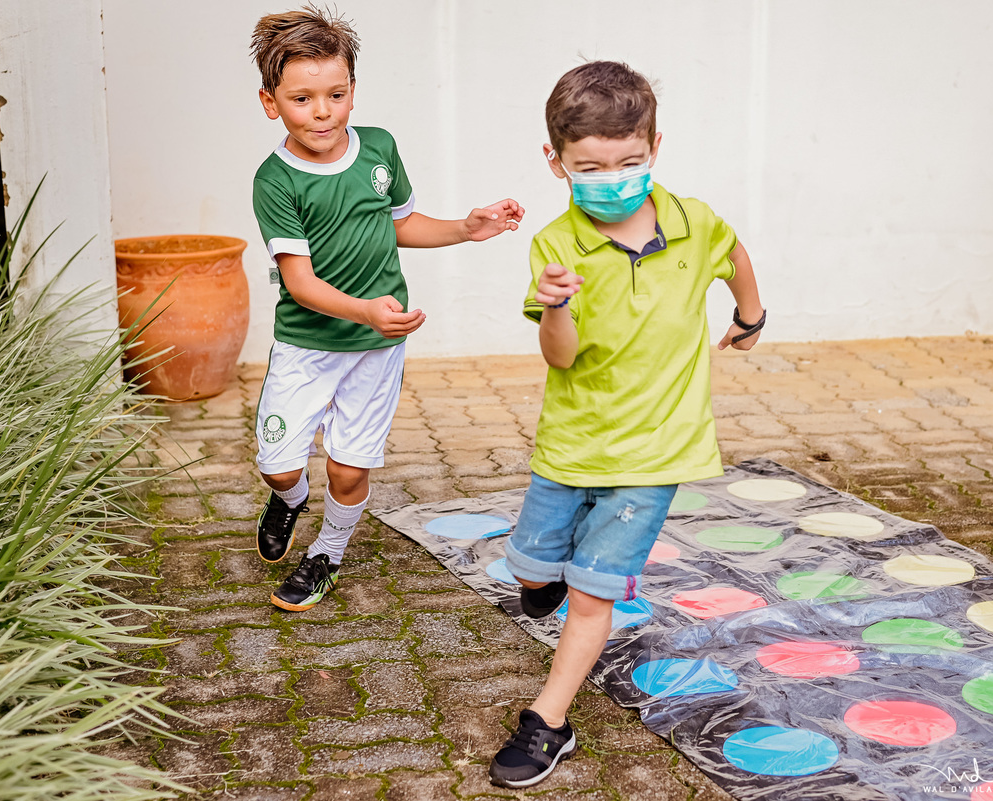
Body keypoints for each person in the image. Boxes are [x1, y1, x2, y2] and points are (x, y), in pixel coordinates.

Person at [488, 60, 765, 789]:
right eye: (591, 166)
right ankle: (541, 577)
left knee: (593, 594)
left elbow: (732, 253)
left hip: (658, 450)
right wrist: (554, 305)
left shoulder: (693, 219)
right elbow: (561, 356)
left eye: (629, 162)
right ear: (557, 162)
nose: (613, 177)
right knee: (529, 569)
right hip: (573, 443)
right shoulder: (554, 245)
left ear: (655, 146)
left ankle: (549, 719)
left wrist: (751, 314)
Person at [249, 6, 524, 612]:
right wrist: (364, 311)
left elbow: (401, 224)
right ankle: (290, 501)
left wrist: (464, 228)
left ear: (352, 92)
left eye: (335, 94)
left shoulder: (379, 149)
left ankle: (327, 552)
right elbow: (299, 283)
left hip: (376, 348)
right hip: (306, 345)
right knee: (277, 465)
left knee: (347, 470)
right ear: (271, 102)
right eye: (301, 98)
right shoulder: (276, 180)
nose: (321, 111)